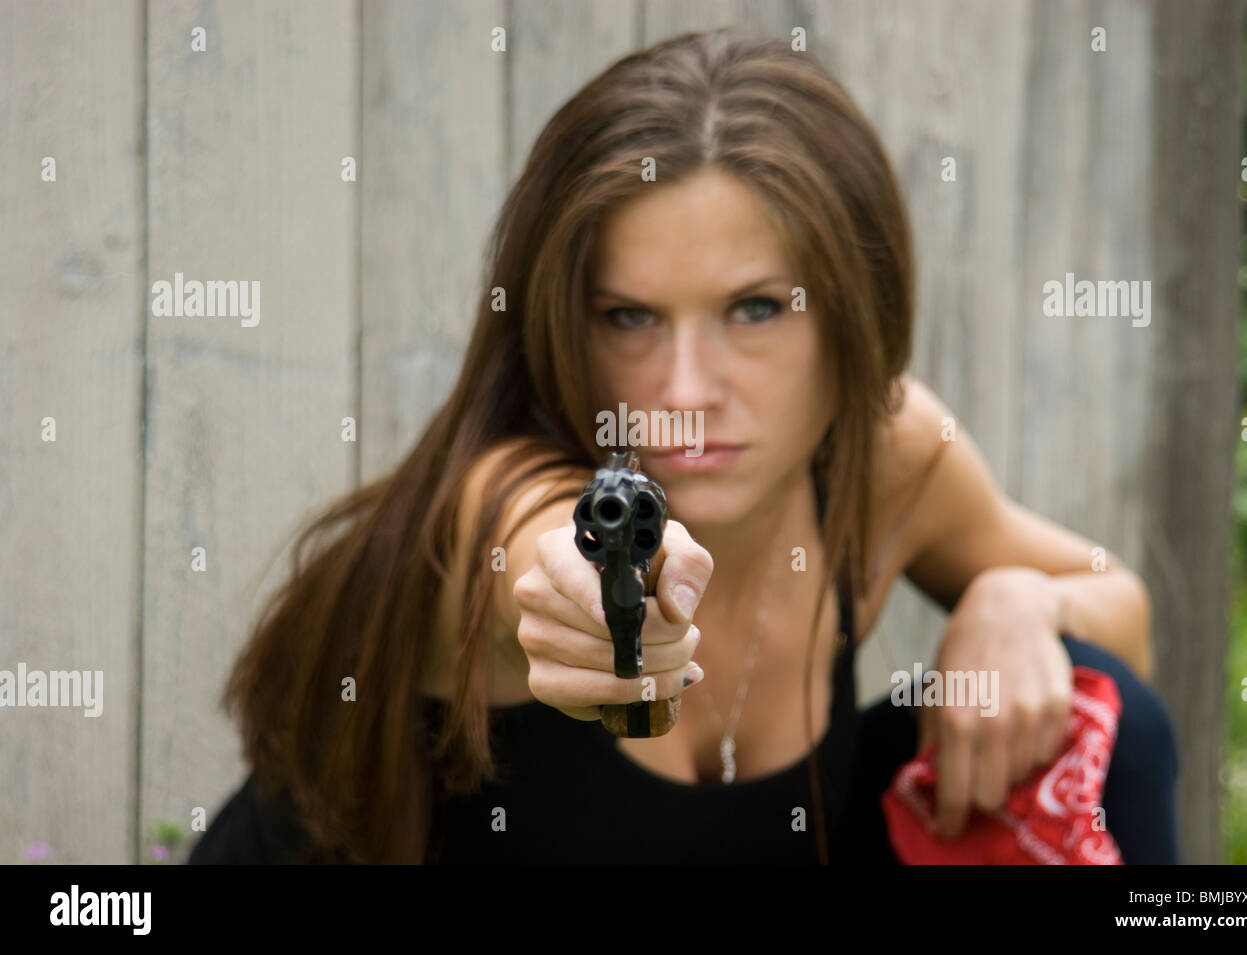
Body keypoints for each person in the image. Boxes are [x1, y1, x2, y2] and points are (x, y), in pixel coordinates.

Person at [189, 28, 1178, 865]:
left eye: (755, 309)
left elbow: (1121, 617)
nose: (685, 391)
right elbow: (541, 563)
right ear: (559, 325)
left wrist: (1015, 602)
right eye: (629, 317)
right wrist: (597, 604)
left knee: (1099, 708)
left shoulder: (888, 457)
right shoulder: (501, 500)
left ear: (853, 315)